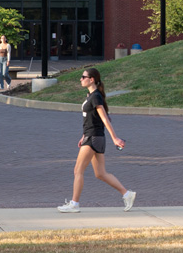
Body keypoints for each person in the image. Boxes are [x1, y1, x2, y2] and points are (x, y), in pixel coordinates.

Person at [57, 67, 136, 213]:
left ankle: (74, 204)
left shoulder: (95, 97)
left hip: (93, 138)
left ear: (91, 79)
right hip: (93, 137)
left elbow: (104, 118)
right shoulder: (91, 95)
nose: (80, 79)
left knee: (78, 171)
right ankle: (127, 194)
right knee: (100, 173)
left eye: (83, 77)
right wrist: (83, 136)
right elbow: (91, 119)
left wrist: (115, 138)